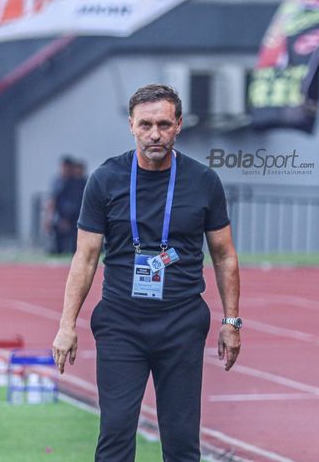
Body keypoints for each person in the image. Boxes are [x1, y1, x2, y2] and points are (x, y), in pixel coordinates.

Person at [52, 84, 241, 462]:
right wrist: (66, 324)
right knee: (116, 434)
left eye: (164, 124)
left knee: (182, 439)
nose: (155, 134)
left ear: (179, 125)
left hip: (182, 321)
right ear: (131, 126)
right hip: (121, 323)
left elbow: (224, 255)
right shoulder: (105, 180)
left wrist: (231, 321)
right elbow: (85, 257)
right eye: (146, 124)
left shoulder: (204, 182)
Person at [46, 156, 86, 254]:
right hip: (61, 217)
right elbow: (53, 200)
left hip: (77, 217)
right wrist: (50, 218)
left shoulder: (79, 182)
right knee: (58, 245)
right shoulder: (58, 182)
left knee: (75, 245)